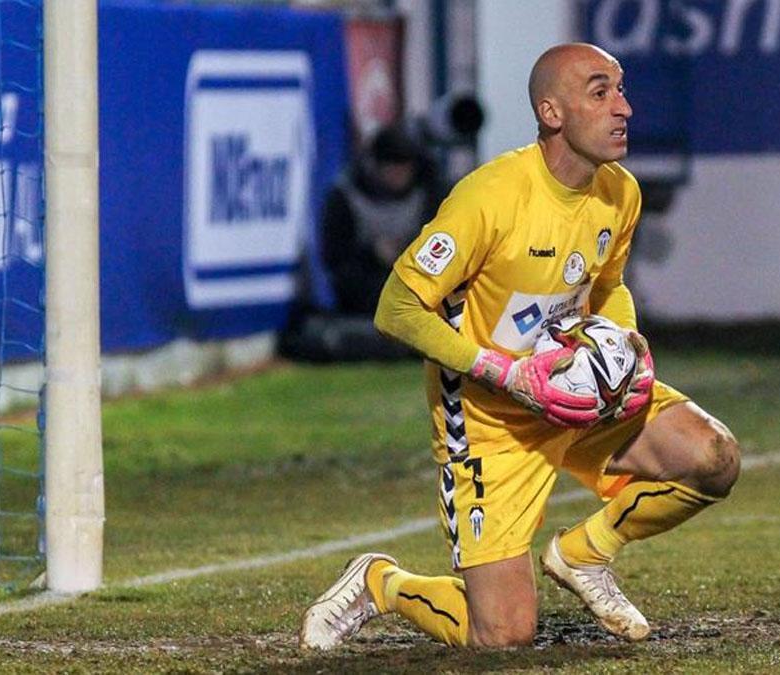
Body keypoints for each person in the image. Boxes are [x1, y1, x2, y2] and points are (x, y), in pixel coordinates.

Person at [299, 43, 741, 649]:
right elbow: (395, 308)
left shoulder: (620, 193)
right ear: (551, 113)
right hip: (492, 420)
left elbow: (607, 287)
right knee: (502, 635)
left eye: (621, 90)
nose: (625, 108)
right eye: (600, 92)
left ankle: (583, 556)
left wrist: (628, 349)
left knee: (713, 457)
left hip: (580, 394)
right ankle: (383, 584)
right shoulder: (491, 197)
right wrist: (504, 374)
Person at [321, 124, 444, 315]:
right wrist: (372, 254)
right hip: (364, 296)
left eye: (404, 171)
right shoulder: (346, 198)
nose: (399, 177)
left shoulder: (429, 195)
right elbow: (335, 260)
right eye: (393, 171)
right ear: (376, 167)